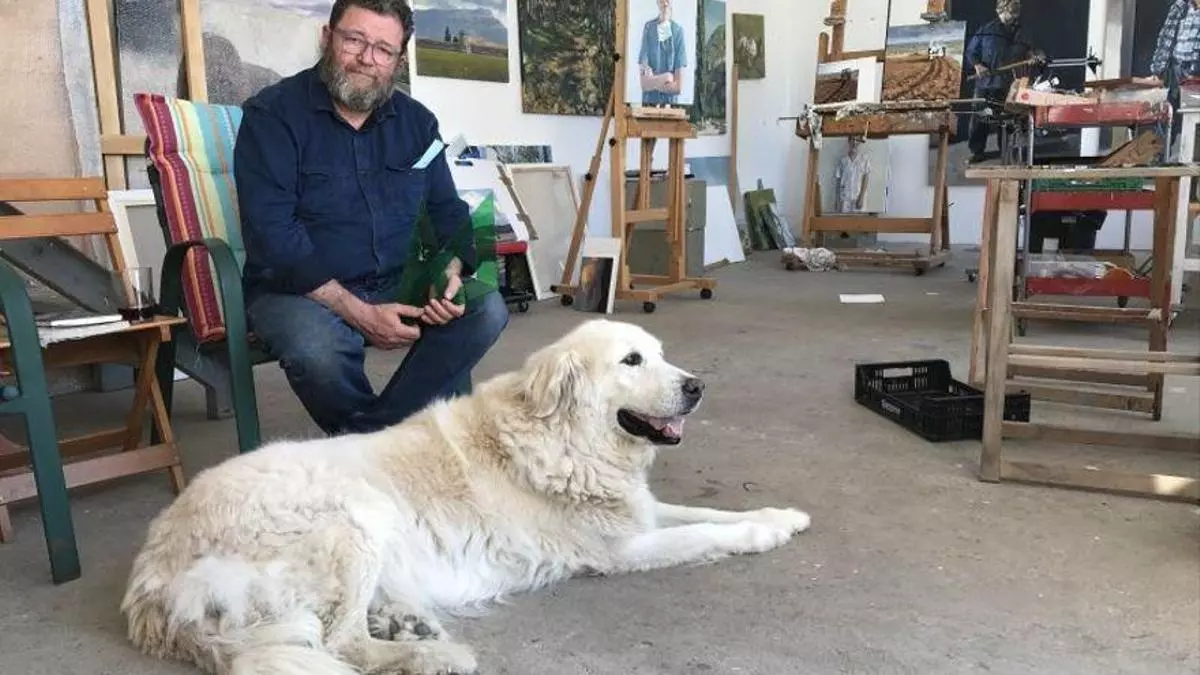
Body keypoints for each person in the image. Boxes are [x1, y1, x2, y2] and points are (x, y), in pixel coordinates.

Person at [233, 0, 508, 437]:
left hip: (396, 279)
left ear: (398, 60)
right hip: (298, 290)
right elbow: (273, 234)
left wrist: (448, 272)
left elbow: (448, 211)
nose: (367, 58)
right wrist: (358, 312)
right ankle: (390, 444)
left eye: (383, 49)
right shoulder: (271, 116)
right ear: (328, 38)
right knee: (316, 348)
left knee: (485, 308)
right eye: (354, 40)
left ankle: (373, 439)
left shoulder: (418, 124)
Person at [964, 0, 1034, 162]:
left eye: (1016, 12)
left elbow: (1029, 49)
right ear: (1000, 10)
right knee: (980, 118)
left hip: (1009, 84)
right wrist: (977, 65)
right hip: (986, 83)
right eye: (1012, 11)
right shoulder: (986, 31)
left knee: (1008, 119)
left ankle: (1006, 151)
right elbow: (971, 51)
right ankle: (977, 152)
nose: (1015, 15)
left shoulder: (1021, 31)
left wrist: (1032, 56)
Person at [1140, 0, 1200, 152]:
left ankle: (1188, 156)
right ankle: (1163, 157)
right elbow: (1165, 39)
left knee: (1193, 118)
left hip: (1196, 75)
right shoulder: (1180, 6)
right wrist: (1157, 71)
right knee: (1168, 119)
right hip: (1175, 71)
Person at [637, 0, 687, 105]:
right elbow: (644, 83)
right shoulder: (649, 28)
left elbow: (678, 87)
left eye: (667, 0)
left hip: (670, 107)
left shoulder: (678, 32)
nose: (665, 3)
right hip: (648, 105)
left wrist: (654, 82)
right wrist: (666, 77)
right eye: (662, 0)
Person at [834, 136, 870, 213]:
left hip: (858, 198)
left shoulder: (864, 159)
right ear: (849, 141)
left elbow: (866, 179)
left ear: (860, 142)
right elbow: (838, 181)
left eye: (857, 140)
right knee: (844, 220)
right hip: (845, 199)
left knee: (859, 220)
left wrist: (861, 197)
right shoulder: (842, 160)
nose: (854, 142)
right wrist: (837, 200)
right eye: (853, 139)